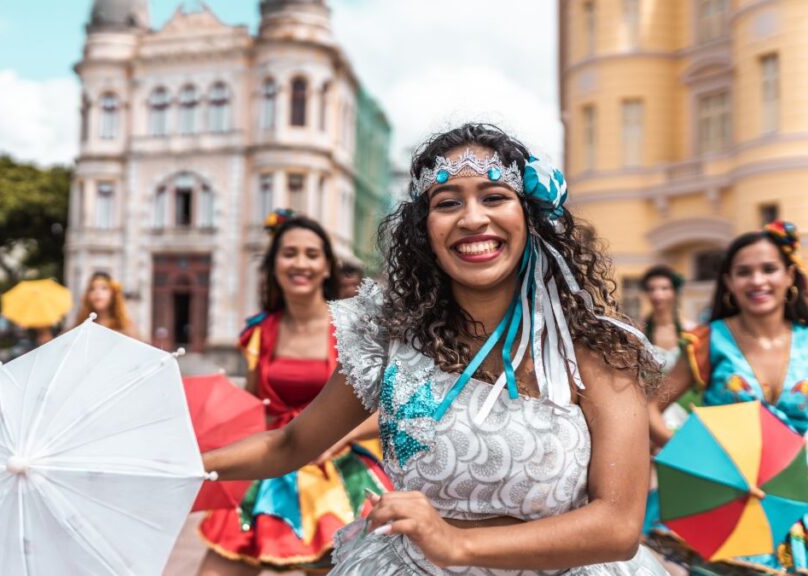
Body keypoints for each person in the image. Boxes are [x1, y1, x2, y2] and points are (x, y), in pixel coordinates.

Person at [202, 124, 668, 574]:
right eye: (448, 203)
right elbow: (290, 443)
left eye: (494, 197)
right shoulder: (387, 337)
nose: (472, 218)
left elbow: (618, 525)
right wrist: (183, 465)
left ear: (530, 218)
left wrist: (456, 543)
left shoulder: (597, 349)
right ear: (424, 230)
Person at [197, 209, 391, 575]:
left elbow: (393, 407)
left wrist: (337, 435)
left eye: (311, 254)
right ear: (273, 265)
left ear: (326, 267)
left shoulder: (356, 327)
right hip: (271, 468)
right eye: (289, 253)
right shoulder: (258, 332)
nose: (300, 263)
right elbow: (256, 408)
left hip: (337, 473)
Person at [648, 220, 808, 575]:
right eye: (743, 272)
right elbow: (648, 409)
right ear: (730, 283)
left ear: (789, 276)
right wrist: (692, 456)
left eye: (769, 269)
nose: (757, 281)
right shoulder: (708, 341)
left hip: (797, 500)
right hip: (720, 503)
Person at [640, 266, 697, 433]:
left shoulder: (692, 331)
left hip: (687, 407)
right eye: (652, 289)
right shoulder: (638, 332)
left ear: (674, 292)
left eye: (664, 288)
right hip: (651, 407)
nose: (658, 295)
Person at [73, 272, 138, 338]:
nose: (97, 292)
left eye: (104, 288)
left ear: (113, 294)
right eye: (92, 289)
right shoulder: (81, 326)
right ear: (87, 296)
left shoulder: (126, 327)